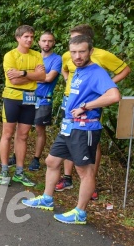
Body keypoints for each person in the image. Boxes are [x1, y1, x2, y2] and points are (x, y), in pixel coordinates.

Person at [22, 35, 121, 224]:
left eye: (82, 51)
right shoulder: (79, 71)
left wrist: (86, 106)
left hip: (85, 128)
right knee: (52, 161)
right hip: (69, 126)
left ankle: (80, 213)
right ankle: (47, 199)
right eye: (73, 52)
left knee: (85, 171)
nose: (77, 56)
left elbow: (114, 95)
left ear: (90, 51)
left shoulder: (96, 72)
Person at [56, 24, 130, 200]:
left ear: (88, 44)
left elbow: (125, 70)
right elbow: (65, 69)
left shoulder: (101, 57)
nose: (76, 51)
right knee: (68, 138)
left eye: (79, 41)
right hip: (70, 101)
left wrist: (104, 86)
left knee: (89, 141)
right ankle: (67, 178)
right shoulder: (69, 55)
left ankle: (90, 183)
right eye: (72, 42)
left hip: (90, 105)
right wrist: (68, 81)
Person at [0, 25, 46, 186]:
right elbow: (14, 80)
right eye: (26, 37)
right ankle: (4, 169)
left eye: (32, 37)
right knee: (8, 134)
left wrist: (23, 73)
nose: (29, 40)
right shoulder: (10, 55)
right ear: (18, 38)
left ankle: (19, 171)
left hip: (30, 99)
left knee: (23, 136)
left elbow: (43, 76)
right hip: (12, 97)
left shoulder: (37, 55)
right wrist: (33, 75)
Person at [10, 31, 62, 171]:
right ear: (38, 42)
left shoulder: (57, 59)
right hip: (26, 96)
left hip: (44, 99)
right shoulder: (33, 56)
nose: (47, 43)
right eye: (44, 40)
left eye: (50, 41)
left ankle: (36, 159)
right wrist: (36, 75)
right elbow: (16, 79)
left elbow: (49, 78)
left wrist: (27, 75)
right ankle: (15, 156)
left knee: (40, 129)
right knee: (20, 128)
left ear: (54, 43)